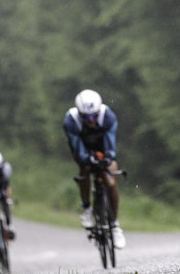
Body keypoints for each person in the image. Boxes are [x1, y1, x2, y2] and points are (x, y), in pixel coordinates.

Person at [63, 89, 127, 248]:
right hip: (83, 148)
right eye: (86, 117)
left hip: (102, 147)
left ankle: (115, 225)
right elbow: (77, 149)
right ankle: (86, 208)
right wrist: (86, 158)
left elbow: (110, 146)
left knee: (111, 181)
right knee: (85, 169)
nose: (91, 120)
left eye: (94, 116)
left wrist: (107, 157)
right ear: (80, 114)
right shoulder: (71, 121)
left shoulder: (108, 117)